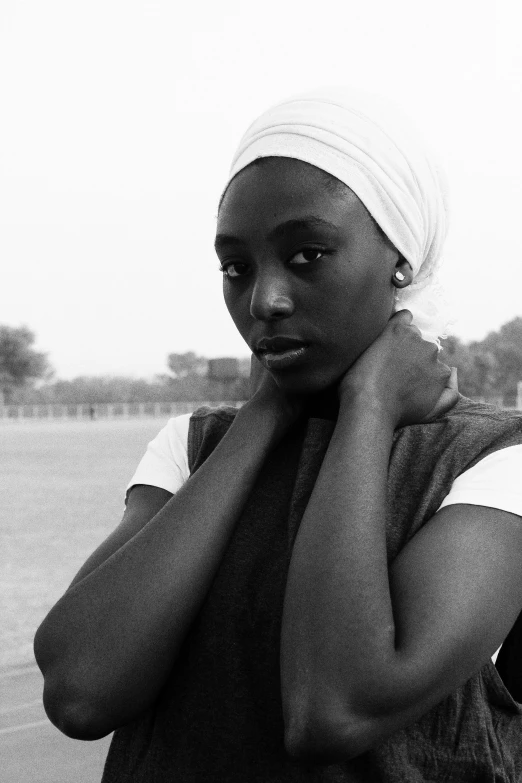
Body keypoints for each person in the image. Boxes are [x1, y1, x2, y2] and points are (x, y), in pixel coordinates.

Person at [34, 88, 522, 781]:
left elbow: (333, 708)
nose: (264, 300)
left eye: (307, 255)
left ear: (402, 261)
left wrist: (369, 407)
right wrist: (265, 414)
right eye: (236, 267)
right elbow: (81, 690)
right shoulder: (194, 446)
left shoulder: (493, 459)